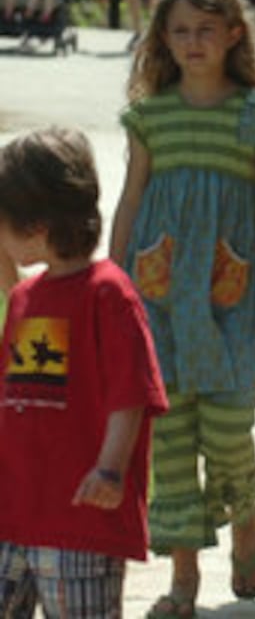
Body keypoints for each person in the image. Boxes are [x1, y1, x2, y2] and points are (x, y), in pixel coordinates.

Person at [107, 0, 255, 616]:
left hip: (232, 298)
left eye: (206, 30)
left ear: (231, 36)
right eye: (180, 31)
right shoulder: (149, 118)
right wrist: (111, 283)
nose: (193, 42)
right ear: (162, 39)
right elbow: (131, 200)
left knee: (225, 428)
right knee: (168, 440)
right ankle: (183, 581)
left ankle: (246, 515)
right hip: (158, 297)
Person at [0, 126, 169, 618]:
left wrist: (111, 468)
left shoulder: (108, 294)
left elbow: (130, 395)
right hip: (13, 513)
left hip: (81, 522)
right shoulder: (25, 299)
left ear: (36, 228)